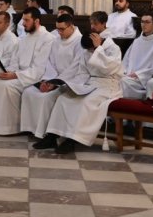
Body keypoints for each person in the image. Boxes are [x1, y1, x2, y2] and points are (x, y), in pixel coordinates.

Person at [36, 15, 124, 152]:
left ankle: (72, 140)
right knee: (64, 99)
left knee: (85, 103)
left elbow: (110, 68)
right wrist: (73, 85)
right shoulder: (86, 49)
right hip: (89, 83)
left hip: (108, 86)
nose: (89, 52)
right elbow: (82, 72)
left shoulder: (113, 48)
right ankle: (52, 136)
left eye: (91, 49)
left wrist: (98, 49)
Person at [0, 7, 53, 134]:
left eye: (26, 20)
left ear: (36, 21)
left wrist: (14, 75)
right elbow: (14, 60)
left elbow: (39, 68)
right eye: (23, 20)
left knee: (5, 86)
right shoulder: (24, 39)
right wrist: (7, 72)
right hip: (18, 74)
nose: (23, 23)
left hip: (32, 77)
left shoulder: (47, 39)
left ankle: (11, 127)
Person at [20, 12, 84, 139]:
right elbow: (49, 63)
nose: (59, 32)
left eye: (62, 29)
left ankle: (44, 133)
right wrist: (48, 81)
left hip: (70, 82)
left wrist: (55, 83)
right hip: (54, 78)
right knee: (28, 92)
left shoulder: (79, 42)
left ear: (71, 26)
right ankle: (30, 128)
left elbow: (75, 67)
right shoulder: (56, 41)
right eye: (57, 29)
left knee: (47, 98)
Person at [119, 14, 153, 98]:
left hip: (142, 79)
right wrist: (124, 72)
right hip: (129, 76)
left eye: (147, 22)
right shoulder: (136, 41)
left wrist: (139, 74)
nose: (143, 24)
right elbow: (126, 61)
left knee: (123, 82)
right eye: (142, 22)